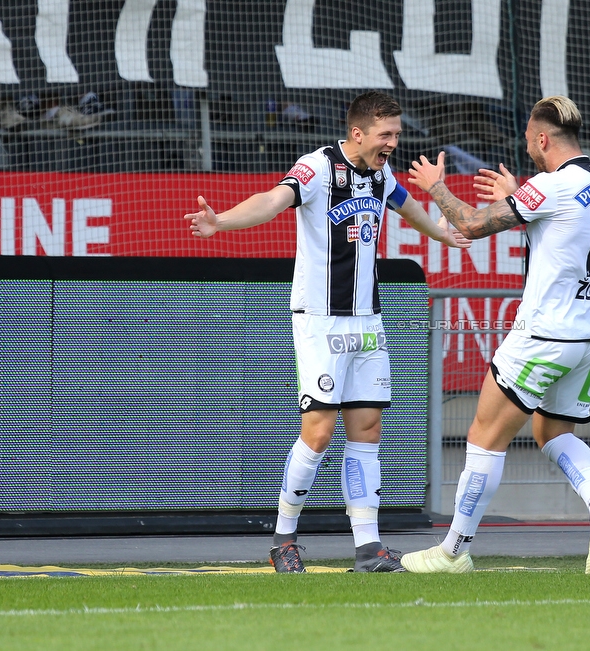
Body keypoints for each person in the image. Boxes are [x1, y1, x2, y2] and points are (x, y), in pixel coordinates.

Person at [184, 90, 470, 573]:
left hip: (368, 322)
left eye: (397, 134)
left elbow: (406, 206)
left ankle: (368, 548)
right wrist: (222, 222)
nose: (393, 143)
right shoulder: (318, 167)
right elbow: (273, 200)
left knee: (368, 429)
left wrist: (441, 232)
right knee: (318, 432)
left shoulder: (381, 173)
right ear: (358, 133)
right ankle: (283, 539)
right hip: (320, 321)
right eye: (386, 135)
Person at [400, 96, 590, 574]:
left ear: (543, 138)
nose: (526, 144)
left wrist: (435, 187)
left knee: (484, 437)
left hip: (544, 335)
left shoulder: (550, 185)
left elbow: (469, 223)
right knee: (551, 430)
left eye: (528, 137)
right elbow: (560, 231)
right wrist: (519, 193)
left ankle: (453, 552)